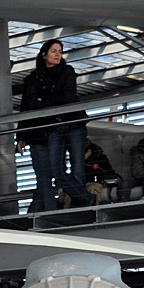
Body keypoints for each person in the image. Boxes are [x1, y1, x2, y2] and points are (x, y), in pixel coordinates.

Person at [16, 39, 93, 211]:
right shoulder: (34, 78)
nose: (58, 54)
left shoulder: (67, 71)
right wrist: (21, 136)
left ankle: (79, 206)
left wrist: (43, 101)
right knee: (57, 170)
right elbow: (27, 106)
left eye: (60, 51)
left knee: (77, 167)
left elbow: (69, 97)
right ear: (44, 54)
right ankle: (84, 200)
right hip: (54, 127)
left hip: (73, 123)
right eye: (53, 51)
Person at [83, 137, 120, 205]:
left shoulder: (100, 159)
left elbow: (109, 173)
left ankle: (93, 213)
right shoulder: (76, 163)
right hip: (79, 185)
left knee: (93, 188)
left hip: (97, 183)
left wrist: (106, 182)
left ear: (89, 151)